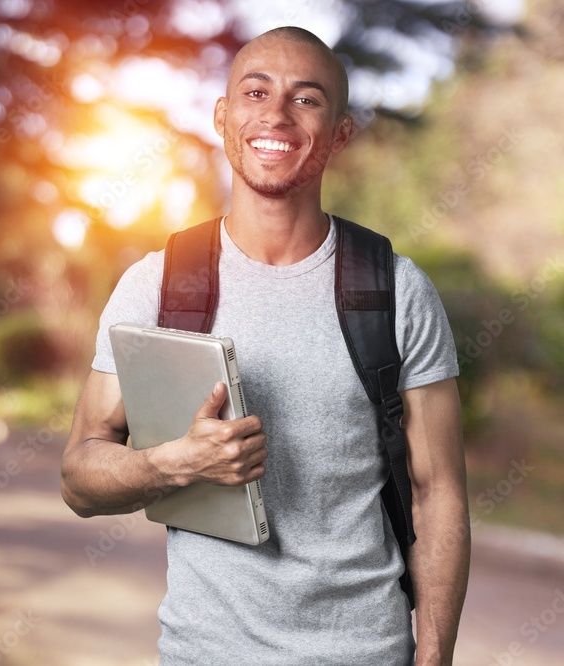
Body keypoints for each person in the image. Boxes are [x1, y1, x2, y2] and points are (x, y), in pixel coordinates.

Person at [60, 26, 470, 665]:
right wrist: (175, 464)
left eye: (306, 99)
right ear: (225, 118)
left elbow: (437, 489)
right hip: (205, 653)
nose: (275, 114)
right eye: (255, 92)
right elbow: (80, 477)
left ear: (339, 132)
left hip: (366, 652)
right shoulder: (158, 284)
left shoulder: (396, 290)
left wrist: (435, 653)